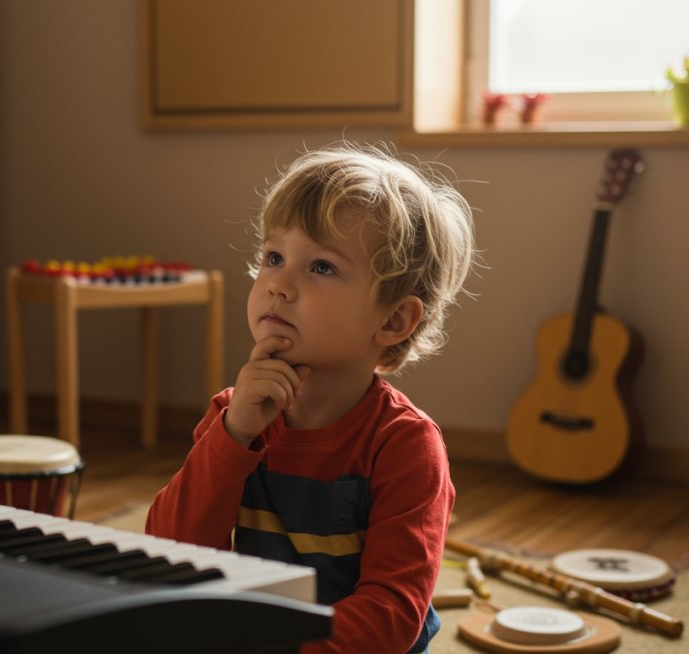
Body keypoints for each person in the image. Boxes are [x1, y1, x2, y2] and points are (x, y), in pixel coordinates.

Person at [145, 142, 477, 653]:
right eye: (274, 256)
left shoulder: (406, 446)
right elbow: (171, 553)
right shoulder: (233, 416)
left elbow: (391, 613)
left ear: (393, 320)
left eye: (320, 267)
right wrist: (233, 436)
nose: (278, 283)